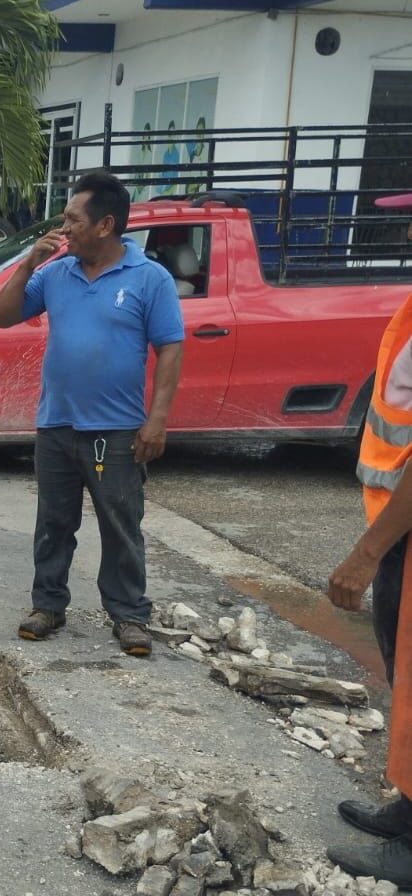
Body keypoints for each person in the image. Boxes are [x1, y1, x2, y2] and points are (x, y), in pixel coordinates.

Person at [0, 170, 184, 658]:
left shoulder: (148, 278)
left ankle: (129, 614)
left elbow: (170, 349)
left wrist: (156, 419)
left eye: (74, 218)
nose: (66, 225)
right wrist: (26, 264)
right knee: (54, 522)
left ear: (106, 225)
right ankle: (48, 605)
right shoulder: (56, 273)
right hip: (57, 424)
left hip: (115, 430)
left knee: (120, 522)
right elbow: (2, 315)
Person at [325, 277, 412, 887]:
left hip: (397, 529)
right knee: (402, 671)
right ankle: (408, 808)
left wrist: (366, 553)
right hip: (399, 524)